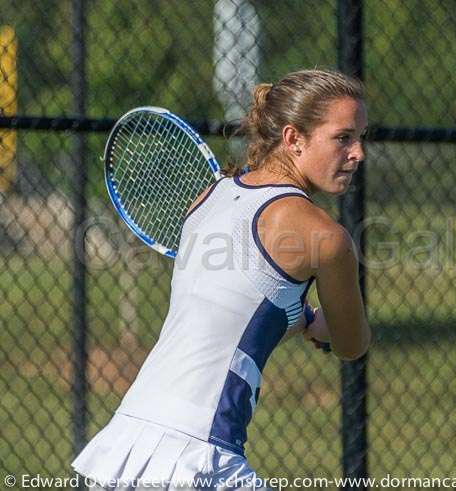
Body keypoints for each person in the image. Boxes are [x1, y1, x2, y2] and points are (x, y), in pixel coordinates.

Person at [72, 69, 371, 490]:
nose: (358, 152)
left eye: (361, 137)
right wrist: (319, 325)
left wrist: (298, 317)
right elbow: (352, 343)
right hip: (196, 458)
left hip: (125, 444)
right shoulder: (325, 237)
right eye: (343, 137)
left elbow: (239, 298)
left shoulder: (208, 197)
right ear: (293, 138)